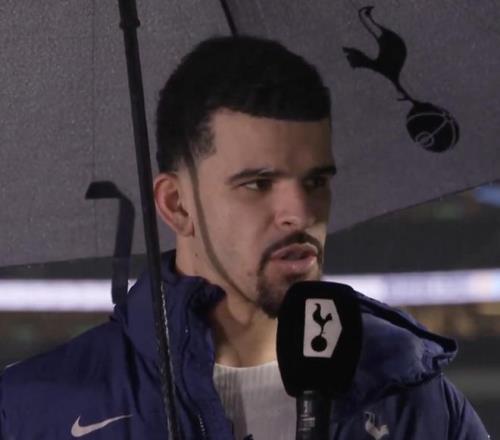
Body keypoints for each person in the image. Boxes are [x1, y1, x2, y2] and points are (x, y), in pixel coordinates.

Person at [0, 36, 489, 439]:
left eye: (315, 181)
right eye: (258, 184)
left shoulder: (416, 403)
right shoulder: (32, 413)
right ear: (176, 205)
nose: (300, 214)